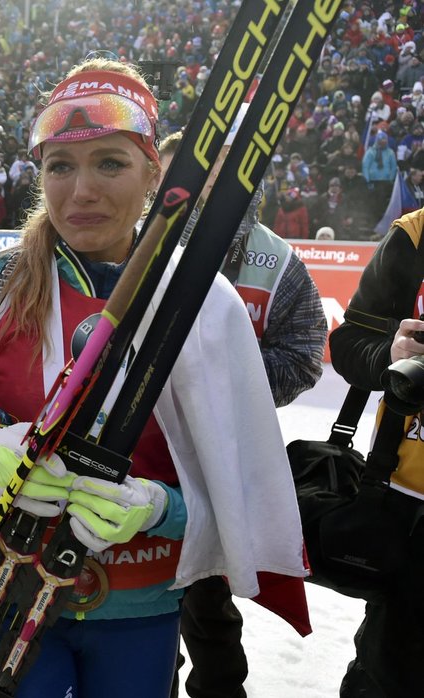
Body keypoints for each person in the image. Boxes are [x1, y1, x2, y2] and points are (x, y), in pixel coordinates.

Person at [0, 59, 309, 698]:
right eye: (60, 166)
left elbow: (244, 496)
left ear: (154, 177)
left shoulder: (203, 301)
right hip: (8, 603)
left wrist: (157, 508)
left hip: (144, 611)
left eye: (110, 162)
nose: (81, 190)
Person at [159, 128, 328, 698]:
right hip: (129, 458)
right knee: (136, 614)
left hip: (212, 464)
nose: (203, 180)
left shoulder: (274, 260)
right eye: (186, 168)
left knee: (208, 611)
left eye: (220, 166)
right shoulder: (124, 243)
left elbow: (305, 355)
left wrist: (225, 379)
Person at [328, 208, 424, 698]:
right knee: (388, 675)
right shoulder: (414, 234)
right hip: (409, 499)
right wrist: (391, 353)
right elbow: (347, 344)